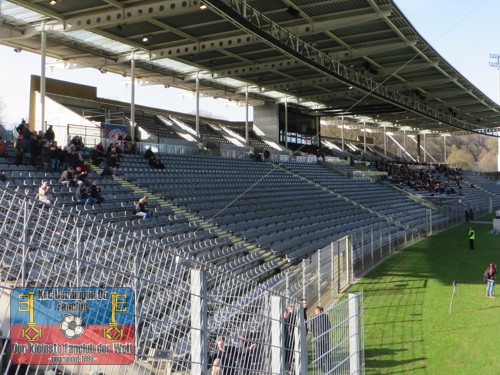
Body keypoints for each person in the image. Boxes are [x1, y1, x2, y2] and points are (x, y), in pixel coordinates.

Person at [308, 306, 331, 372]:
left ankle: (322, 368)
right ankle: (326, 367)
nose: (316, 312)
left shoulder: (314, 317)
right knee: (324, 353)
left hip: (319, 337)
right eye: (316, 310)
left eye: (317, 310)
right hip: (323, 337)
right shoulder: (325, 317)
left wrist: (314, 333)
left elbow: (310, 327)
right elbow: (329, 326)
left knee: (320, 353)